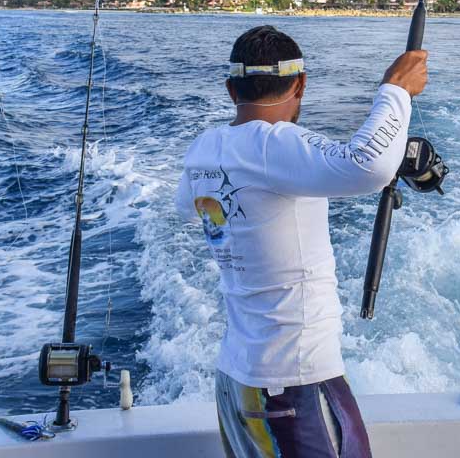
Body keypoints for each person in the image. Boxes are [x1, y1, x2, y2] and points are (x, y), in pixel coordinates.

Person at [175, 25, 428, 458]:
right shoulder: (274, 145)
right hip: (293, 387)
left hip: (237, 384)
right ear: (301, 84)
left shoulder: (206, 149)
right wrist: (396, 89)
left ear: (230, 89)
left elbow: (190, 206)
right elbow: (368, 166)